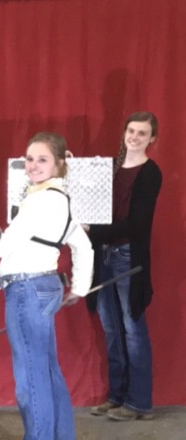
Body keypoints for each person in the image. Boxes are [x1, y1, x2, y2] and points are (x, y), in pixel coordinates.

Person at [0, 132, 93, 440]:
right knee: (48, 373)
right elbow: (83, 246)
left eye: (42, 159)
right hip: (46, 287)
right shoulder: (61, 199)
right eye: (29, 159)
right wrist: (79, 287)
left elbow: (1, 247)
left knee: (32, 378)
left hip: (25, 291)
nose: (33, 165)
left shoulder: (39, 201)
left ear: (59, 163)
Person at [85, 112, 161, 422]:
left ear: (152, 139)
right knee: (111, 327)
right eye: (131, 130)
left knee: (132, 329)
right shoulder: (110, 168)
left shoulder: (150, 173)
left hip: (127, 257)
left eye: (142, 133)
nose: (135, 137)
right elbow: (88, 201)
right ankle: (117, 396)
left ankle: (139, 403)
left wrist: (94, 231)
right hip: (102, 254)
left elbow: (138, 224)